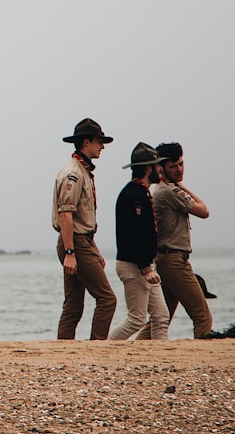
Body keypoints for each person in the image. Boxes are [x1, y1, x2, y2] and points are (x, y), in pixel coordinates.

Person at [138, 142, 213, 339]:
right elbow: (204, 211)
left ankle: (133, 350)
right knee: (202, 315)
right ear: (161, 167)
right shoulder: (169, 192)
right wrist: (180, 186)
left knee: (161, 319)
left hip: (167, 259)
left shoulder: (165, 190)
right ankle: (204, 354)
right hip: (174, 261)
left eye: (181, 164)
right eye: (173, 166)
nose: (179, 169)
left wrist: (177, 184)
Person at [52, 118, 117, 340]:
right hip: (75, 242)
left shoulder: (81, 171)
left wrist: (93, 248)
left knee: (73, 306)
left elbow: (78, 218)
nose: (102, 146)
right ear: (86, 142)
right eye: (99, 141)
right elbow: (66, 215)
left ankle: (64, 349)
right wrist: (71, 252)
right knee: (107, 299)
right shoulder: (74, 174)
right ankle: (96, 348)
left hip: (79, 240)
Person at [109, 143, 170, 340]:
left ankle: (160, 357)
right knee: (136, 319)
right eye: (157, 165)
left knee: (161, 316)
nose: (160, 169)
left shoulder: (141, 193)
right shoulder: (132, 195)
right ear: (148, 168)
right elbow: (133, 235)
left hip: (144, 265)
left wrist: (147, 265)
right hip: (134, 266)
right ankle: (104, 347)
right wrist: (146, 267)